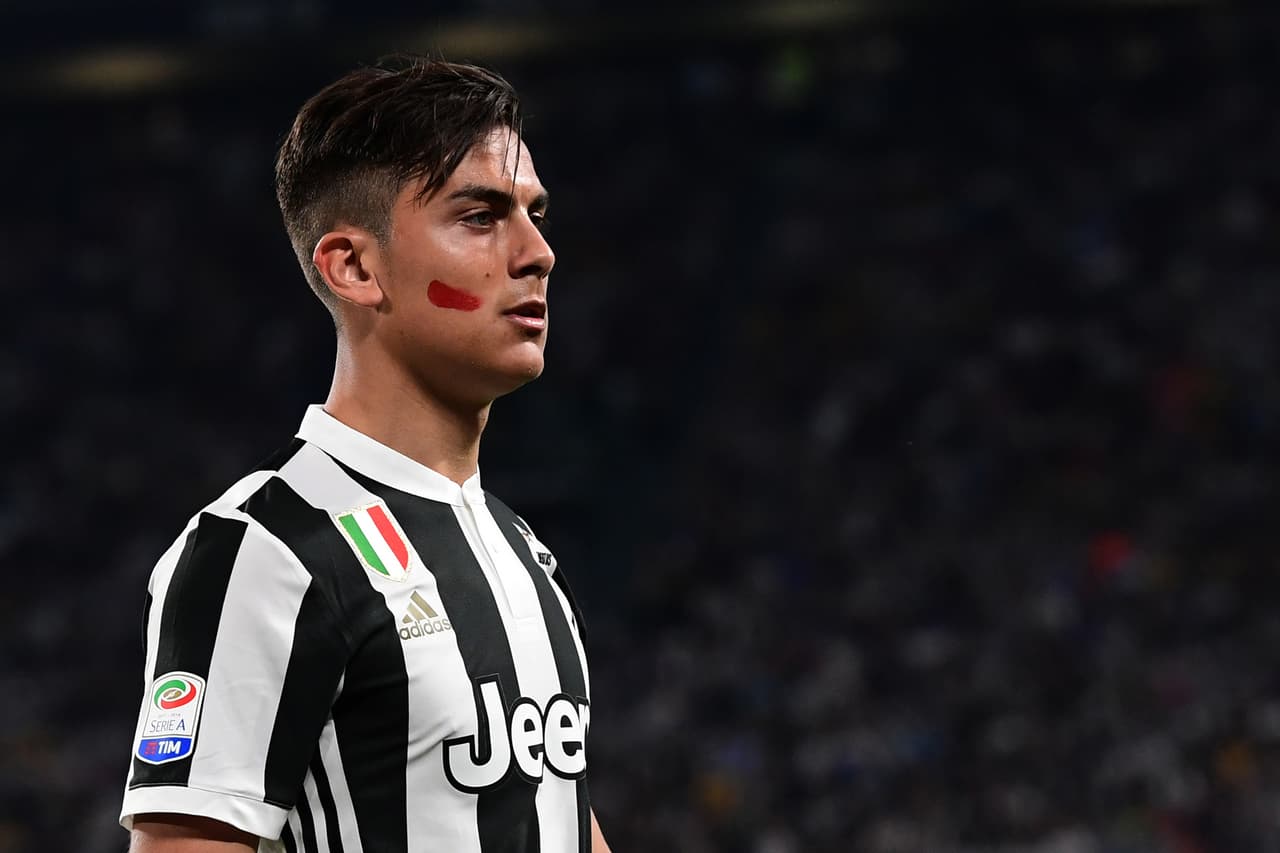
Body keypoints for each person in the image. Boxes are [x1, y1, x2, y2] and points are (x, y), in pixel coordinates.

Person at [121, 57, 611, 853]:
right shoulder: (261, 549)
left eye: (535, 213)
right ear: (353, 266)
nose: (538, 252)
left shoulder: (521, 548)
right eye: (480, 216)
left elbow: (559, 818)